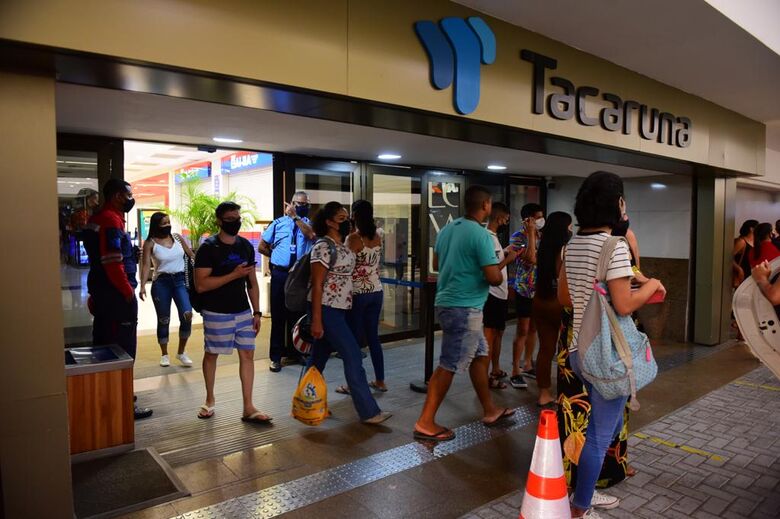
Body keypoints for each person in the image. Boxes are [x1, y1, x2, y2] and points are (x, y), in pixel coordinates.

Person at [558, 171, 666, 518]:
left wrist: (597, 290)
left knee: (592, 429)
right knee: (600, 436)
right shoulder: (614, 246)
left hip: (577, 351)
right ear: (616, 204)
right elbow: (624, 305)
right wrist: (653, 285)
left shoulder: (571, 244)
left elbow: (566, 297)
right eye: (623, 199)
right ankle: (580, 508)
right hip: (605, 355)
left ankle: (582, 493)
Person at [414, 186, 515, 442]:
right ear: (486, 206)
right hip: (464, 308)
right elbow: (493, 278)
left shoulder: (448, 229)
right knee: (448, 364)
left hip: (449, 302)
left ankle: (490, 410)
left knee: (481, 355)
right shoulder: (480, 235)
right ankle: (425, 422)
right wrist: (506, 261)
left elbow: (437, 265)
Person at [306, 202, 391, 424]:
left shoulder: (344, 245)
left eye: (348, 218)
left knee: (317, 360)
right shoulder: (322, 247)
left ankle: (306, 403)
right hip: (327, 309)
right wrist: (316, 319)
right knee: (353, 354)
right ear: (328, 222)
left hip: (342, 308)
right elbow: (317, 285)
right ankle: (369, 412)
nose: (347, 223)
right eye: (342, 219)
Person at [193, 202, 271, 424]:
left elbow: (252, 282)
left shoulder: (245, 245)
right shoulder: (208, 248)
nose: (235, 222)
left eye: (237, 218)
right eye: (229, 219)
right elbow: (201, 285)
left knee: (247, 355)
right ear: (219, 221)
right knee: (212, 354)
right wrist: (233, 275)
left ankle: (248, 406)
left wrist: (257, 312)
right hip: (216, 312)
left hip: (243, 312)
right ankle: (209, 400)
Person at [83, 179, 152, 420]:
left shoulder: (97, 219)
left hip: (102, 294)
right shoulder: (111, 220)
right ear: (116, 196)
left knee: (103, 345)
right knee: (122, 350)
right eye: (128, 194)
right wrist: (126, 292)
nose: (131, 199)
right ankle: (121, 404)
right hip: (115, 296)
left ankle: (103, 399)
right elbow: (112, 262)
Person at [259, 191, 316, 372]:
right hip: (280, 274)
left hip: (299, 277)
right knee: (278, 317)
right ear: (291, 203)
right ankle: (275, 357)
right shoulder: (277, 224)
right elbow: (262, 246)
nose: (303, 206)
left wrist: (296, 216)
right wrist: (275, 258)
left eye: (306, 203)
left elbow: (311, 236)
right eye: (299, 203)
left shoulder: (307, 224)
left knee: (296, 316)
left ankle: (295, 352)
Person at [139, 212, 196, 367]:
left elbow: (191, 255)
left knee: (187, 314)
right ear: (156, 225)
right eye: (164, 223)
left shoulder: (177, 238)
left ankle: (181, 352)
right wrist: (143, 285)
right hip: (161, 283)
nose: (167, 225)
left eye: (168, 222)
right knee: (164, 319)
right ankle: (164, 354)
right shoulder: (150, 243)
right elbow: (145, 265)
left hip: (179, 281)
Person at [531, 211, 571, 408]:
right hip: (557, 303)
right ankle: (566, 390)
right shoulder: (563, 249)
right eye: (570, 226)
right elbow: (561, 276)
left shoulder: (543, 247)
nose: (571, 230)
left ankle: (543, 393)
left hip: (540, 300)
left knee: (545, 350)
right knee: (564, 349)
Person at [346, 200, 388, 391]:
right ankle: (380, 380)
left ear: (354, 215)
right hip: (376, 291)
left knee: (353, 340)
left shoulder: (353, 239)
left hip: (358, 292)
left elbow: (346, 266)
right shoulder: (379, 234)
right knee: (373, 337)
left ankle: (353, 384)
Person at [508, 203, 545, 389]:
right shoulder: (518, 237)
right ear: (527, 219)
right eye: (537, 217)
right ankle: (515, 369)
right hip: (524, 289)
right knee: (522, 329)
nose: (540, 220)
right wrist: (530, 233)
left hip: (539, 289)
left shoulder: (543, 236)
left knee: (534, 329)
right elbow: (531, 258)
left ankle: (528, 363)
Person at [482, 202, 518, 389]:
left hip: (500, 293)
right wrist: (509, 259)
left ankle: (494, 369)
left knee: (498, 334)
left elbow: (495, 260)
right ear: (499, 218)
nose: (506, 222)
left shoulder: (493, 238)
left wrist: (504, 252)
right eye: (505, 219)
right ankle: (487, 376)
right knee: (489, 336)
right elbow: (492, 270)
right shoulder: (487, 238)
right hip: (492, 294)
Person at [733, 220, 758, 286]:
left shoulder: (755, 242)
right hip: (741, 275)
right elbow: (728, 258)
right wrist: (739, 269)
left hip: (750, 275)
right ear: (751, 229)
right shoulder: (741, 241)